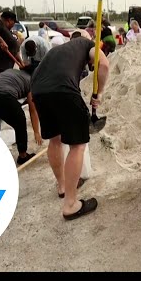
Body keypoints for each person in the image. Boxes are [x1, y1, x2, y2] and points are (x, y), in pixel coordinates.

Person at [30, 36, 110, 220]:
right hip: (63, 89)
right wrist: (100, 92)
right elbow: (104, 65)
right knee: (78, 145)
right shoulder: (88, 44)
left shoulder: (57, 50)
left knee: (55, 139)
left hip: (38, 92)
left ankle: (63, 186)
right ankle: (71, 205)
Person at [0, 68, 42, 165]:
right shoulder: (30, 81)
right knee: (20, 121)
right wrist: (36, 132)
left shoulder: (11, 71)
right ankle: (23, 156)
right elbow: (33, 109)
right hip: (2, 95)